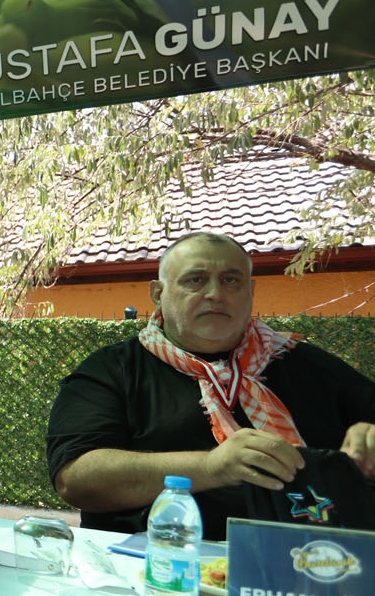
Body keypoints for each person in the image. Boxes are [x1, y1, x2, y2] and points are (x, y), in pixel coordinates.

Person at [46, 231, 375, 539]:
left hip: (310, 564)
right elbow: (76, 480)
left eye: (231, 280)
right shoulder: (112, 370)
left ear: (251, 291)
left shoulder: (306, 363)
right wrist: (211, 467)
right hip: (157, 568)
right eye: (195, 280)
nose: (216, 294)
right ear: (158, 294)